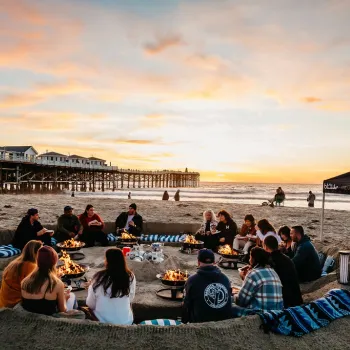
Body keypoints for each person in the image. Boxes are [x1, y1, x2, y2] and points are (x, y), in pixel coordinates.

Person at [21, 246, 77, 315]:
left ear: (37, 261)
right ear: (54, 263)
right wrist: (65, 298)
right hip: (49, 321)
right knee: (72, 296)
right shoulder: (57, 284)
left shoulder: (25, 282)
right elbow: (62, 310)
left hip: (30, 319)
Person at [86, 248, 136, 325]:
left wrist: (90, 287)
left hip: (103, 323)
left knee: (85, 310)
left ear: (107, 261)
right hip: (127, 322)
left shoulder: (99, 277)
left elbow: (90, 304)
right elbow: (130, 299)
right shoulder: (130, 276)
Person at [182, 249, 232, 323]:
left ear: (198, 262)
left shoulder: (192, 280)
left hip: (201, 325)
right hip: (223, 324)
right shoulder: (225, 279)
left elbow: (186, 305)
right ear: (214, 262)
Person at [233, 247, 283, 316]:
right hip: (277, 314)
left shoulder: (253, 274)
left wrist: (244, 278)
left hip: (261, 315)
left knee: (230, 305)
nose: (249, 260)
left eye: (250, 258)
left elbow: (241, 301)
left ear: (253, 259)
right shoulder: (273, 272)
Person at [263, 236, 303, 308]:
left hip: (285, 301)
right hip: (296, 298)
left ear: (265, 246)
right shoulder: (286, 258)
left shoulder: (270, 261)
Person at [0, 240, 42, 308]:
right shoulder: (31, 266)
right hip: (13, 303)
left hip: (3, 301)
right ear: (35, 253)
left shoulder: (15, 262)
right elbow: (34, 289)